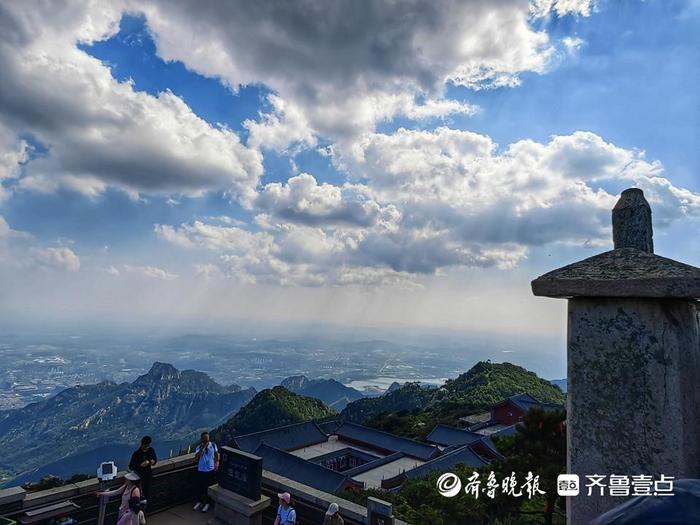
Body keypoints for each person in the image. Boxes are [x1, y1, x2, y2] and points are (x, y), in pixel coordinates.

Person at [193, 431, 219, 513]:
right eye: (204, 440)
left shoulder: (213, 445)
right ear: (201, 439)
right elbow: (196, 458)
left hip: (210, 470)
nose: (205, 441)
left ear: (209, 439)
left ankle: (207, 503)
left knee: (208, 487)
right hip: (201, 470)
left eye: (206, 440)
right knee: (199, 487)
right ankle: (199, 502)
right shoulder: (199, 447)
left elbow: (216, 454)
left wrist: (216, 463)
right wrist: (202, 448)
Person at [129, 436, 157, 501]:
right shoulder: (137, 454)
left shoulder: (151, 450)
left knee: (147, 493)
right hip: (139, 476)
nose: (147, 447)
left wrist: (149, 462)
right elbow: (131, 466)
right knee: (139, 493)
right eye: (146, 445)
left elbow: (154, 460)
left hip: (148, 476)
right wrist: (140, 465)